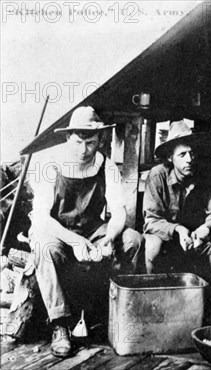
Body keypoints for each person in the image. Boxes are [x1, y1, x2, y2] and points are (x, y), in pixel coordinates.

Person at [29, 106, 143, 358]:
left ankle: (112, 315)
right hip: (56, 231)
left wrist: (109, 238)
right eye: (78, 142)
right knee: (42, 246)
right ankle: (60, 325)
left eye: (90, 143)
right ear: (68, 138)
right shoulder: (51, 165)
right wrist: (74, 240)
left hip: (92, 229)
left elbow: (119, 213)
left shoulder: (107, 166)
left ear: (100, 140)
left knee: (132, 240)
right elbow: (40, 218)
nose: (83, 149)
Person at [143, 120, 211, 275]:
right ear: (169, 157)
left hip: (200, 238)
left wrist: (206, 229)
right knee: (153, 244)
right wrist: (178, 230)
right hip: (169, 238)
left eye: (192, 153)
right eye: (182, 154)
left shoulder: (210, 174)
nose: (189, 159)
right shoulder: (157, 176)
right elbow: (152, 221)